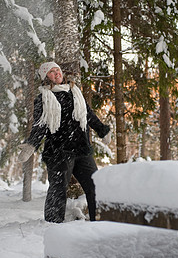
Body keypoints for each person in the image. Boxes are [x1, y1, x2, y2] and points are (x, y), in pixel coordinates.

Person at [18, 61, 111, 223]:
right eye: (51, 72)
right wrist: (31, 144)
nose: (56, 73)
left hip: (81, 149)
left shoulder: (75, 92)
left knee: (95, 185)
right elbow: (40, 125)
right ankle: (53, 224)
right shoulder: (44, 98)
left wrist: (102, 129)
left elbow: (88, 114)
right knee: (58, 189)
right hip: (58, 152)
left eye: (57, 70)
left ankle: (98, 220)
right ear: (45, 77)